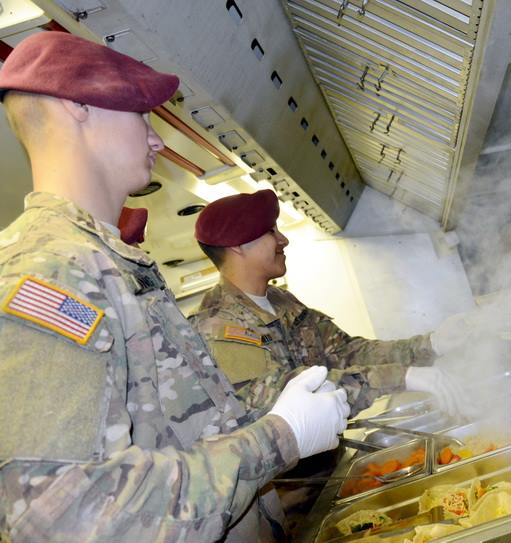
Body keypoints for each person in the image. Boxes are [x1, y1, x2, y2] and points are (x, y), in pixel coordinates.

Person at [0, 31, 349, 542]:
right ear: (77, 107)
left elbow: (188, 429)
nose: (157, 138)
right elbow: (69, 517)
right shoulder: (49, 271)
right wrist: (279, 437)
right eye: (140, 115)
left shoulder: (109, 263)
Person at [188, 190, 465, 419]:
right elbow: (282, 399)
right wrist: (399, 376)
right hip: (295, 485)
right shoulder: (218, 327)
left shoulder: (280, 301)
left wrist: (430, 344)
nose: (283, 239)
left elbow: (347, 353)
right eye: (271, 231)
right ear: (238, 245)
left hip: (329, 463)